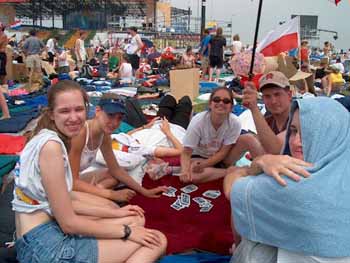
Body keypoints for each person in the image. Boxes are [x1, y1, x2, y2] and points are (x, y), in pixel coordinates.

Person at [13, 80, 167, 263]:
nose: (73, 117)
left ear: (88, 110)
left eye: (78, 109)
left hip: (33, 240)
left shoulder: (44, 138)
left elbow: (60, 202)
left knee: (133, 219)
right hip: (46, 249)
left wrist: (118, 213)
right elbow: (69, 223)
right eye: (64, 111)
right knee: (156, 239)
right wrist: (127, 231)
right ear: (52, 114)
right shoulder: (52, 147)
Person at [224, 97, 350, 262]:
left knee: (252, 244)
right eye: (293, 131)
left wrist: (261, 161)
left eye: (309, 132)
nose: (296, 141)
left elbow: (231, 183)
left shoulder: (292, 184)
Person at [69, 93, 168, 202]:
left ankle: (95, 193)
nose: (115, 122)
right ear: (97, 111)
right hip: (60, 186)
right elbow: (72, 182)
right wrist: (111, 194)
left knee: (115, 176)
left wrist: (144, 191)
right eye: (110, 115)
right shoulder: (81, 134)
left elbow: (115, 169)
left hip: (72, 180)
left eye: (119, 118)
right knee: (115, 209)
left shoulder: (104, 134)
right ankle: (95, 195)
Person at [179, 87, 242, 184]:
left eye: (226, 101)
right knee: (192, 176)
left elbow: (223, 152)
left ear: (231, 107)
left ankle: (261, 175)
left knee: (250, 139)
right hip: (199, 156)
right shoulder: (198, 121)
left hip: (221, 159)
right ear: (210, 104)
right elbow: (186, 152)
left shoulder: (235, 122)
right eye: (216, 99)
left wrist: (205, 164)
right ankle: (231, 171)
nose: (221, 103)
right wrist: (184, 171)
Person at [242, 71, 292, 154]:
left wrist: (254, 108)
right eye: (267, 96)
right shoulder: (268, 121)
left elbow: (275, 150)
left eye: (277, 94)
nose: (273, 101)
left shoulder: (298, 118)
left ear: (289, 95)